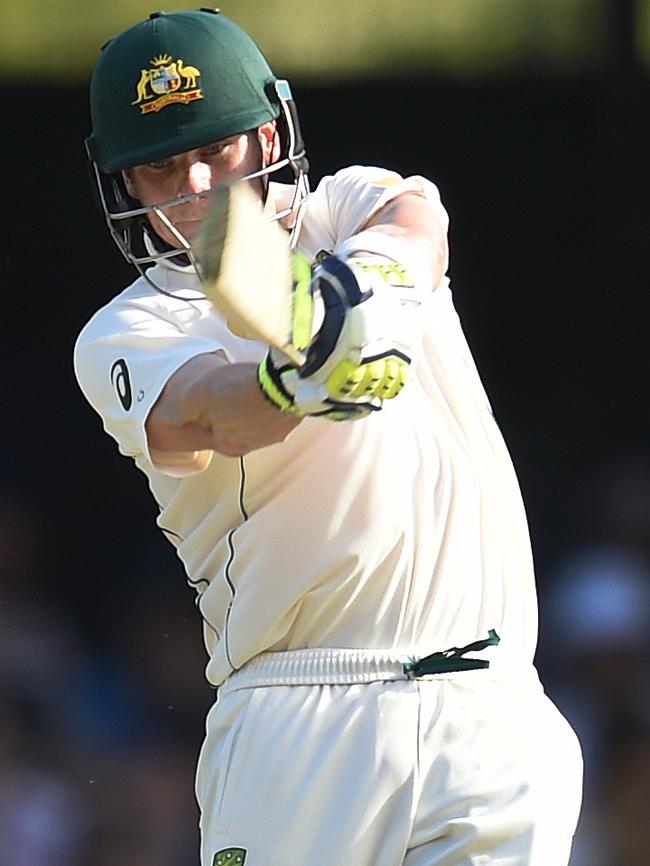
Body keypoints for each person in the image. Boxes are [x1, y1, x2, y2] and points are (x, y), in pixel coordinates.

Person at [74, 9, 583, 866]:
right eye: (160, 169)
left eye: (218, 151)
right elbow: (216, 410)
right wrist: (302, 375)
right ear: (126, 184)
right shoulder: (122, 333)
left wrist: (349, 306)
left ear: (268, 134)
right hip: (301, 719)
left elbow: (417, 224)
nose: (196, 188)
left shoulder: (341, 206)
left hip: (488, 706)